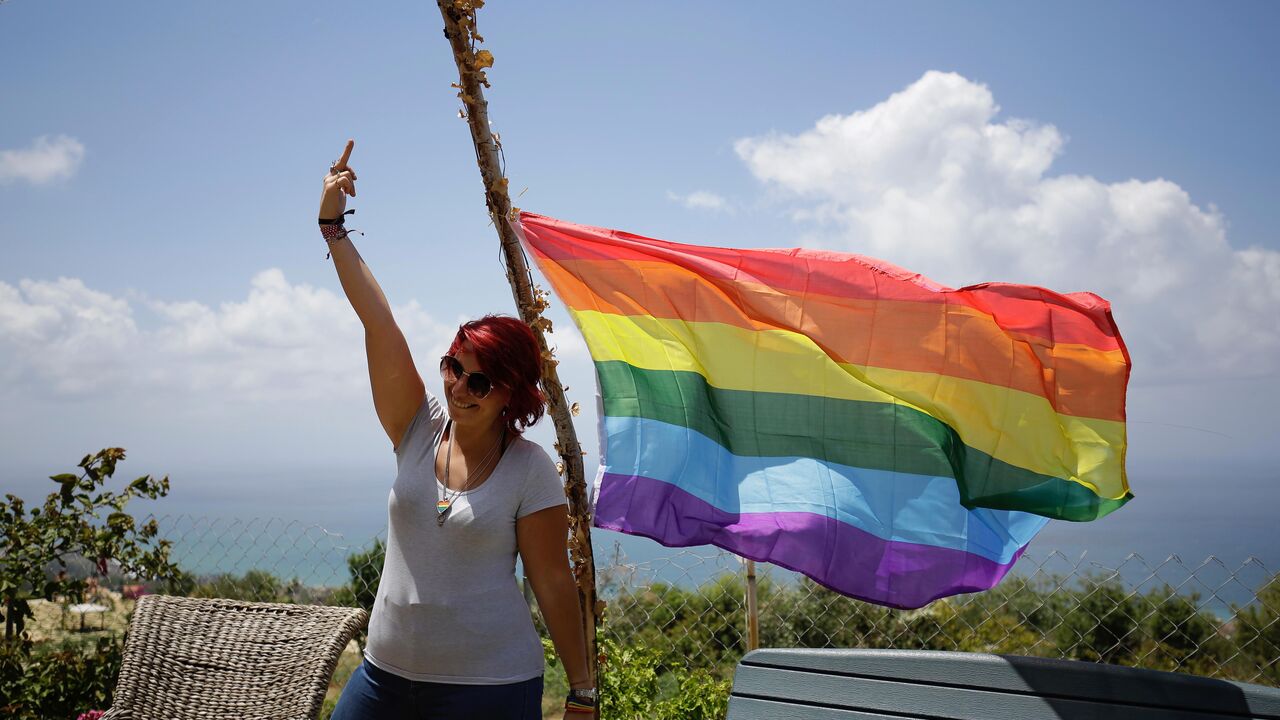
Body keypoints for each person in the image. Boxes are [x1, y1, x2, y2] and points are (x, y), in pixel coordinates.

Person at [320, 140, 596, 719]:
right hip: (382, 677)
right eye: (454, 368)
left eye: (482, 382)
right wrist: (332, 225)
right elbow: (378, 321)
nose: (460, 389)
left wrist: (582, 689)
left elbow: (550, 578)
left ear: (512, 394)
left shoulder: (529, 470)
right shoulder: (416, 429)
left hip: (488, 688)